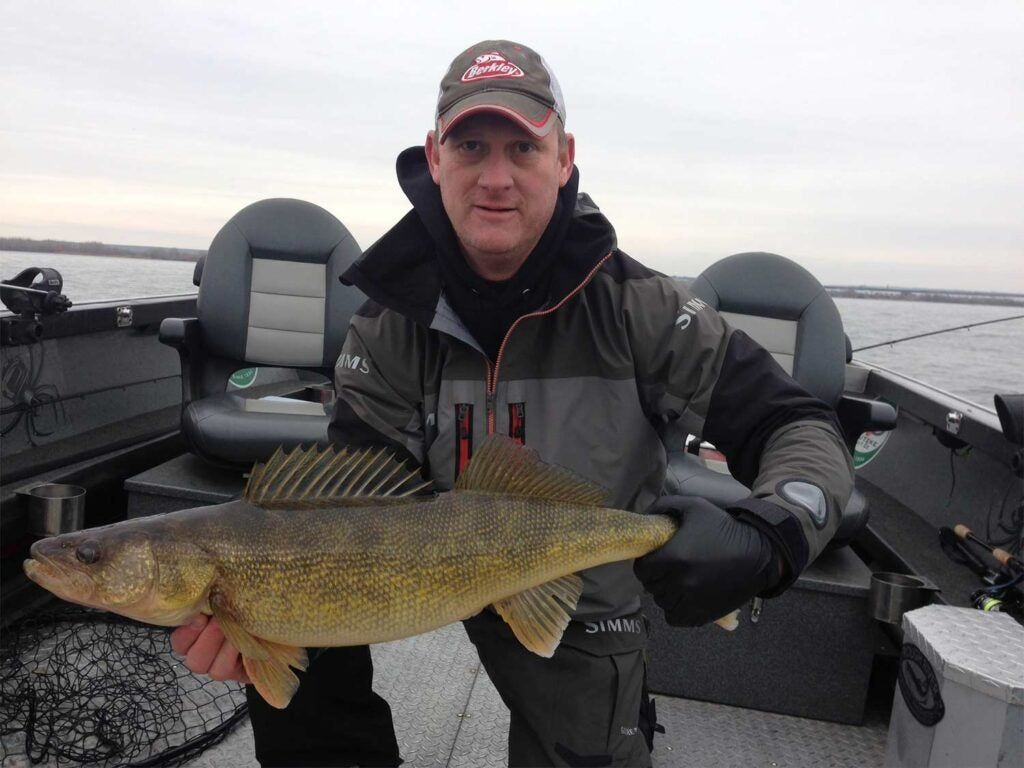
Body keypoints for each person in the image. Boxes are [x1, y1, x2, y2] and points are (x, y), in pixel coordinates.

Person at [172, 39, 854, 767]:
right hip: (421, 570)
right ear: (435, 159)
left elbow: (797, 423)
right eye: (471, 146)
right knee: (291, 660)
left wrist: (774, 533)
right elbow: (348, 500)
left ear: (562, 159)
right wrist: (256, 626)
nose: (495, 178)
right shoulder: (385, 322)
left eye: (522, 149)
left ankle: (618, 714)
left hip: (577, 587)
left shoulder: (642, 308)